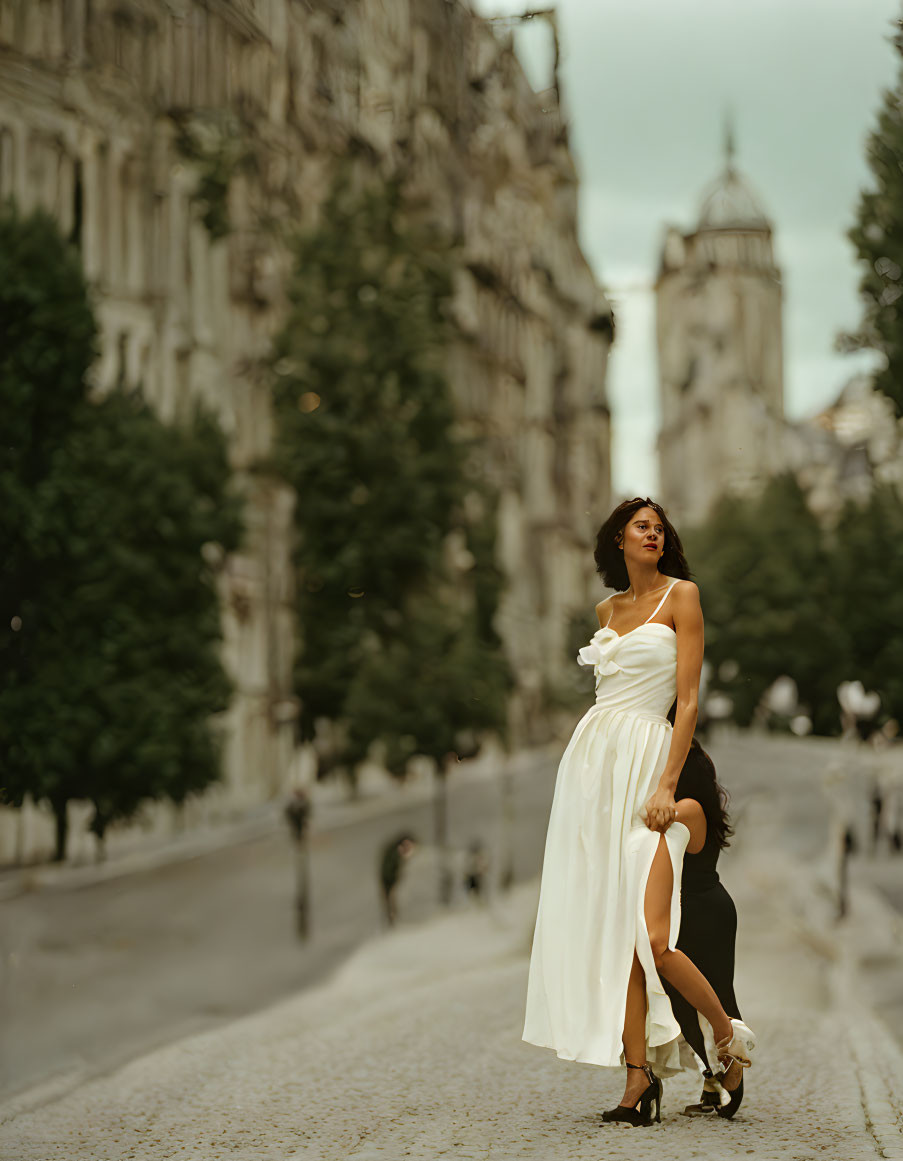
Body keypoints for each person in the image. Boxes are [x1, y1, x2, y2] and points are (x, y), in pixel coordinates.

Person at [522, 498, 754, 1127]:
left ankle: (728, 1041)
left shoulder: (684, 596)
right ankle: (637, 1082)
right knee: (616, 928)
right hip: (595, 765)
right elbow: (606, 699)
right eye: (640, 527)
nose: (652, 534)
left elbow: (686, 699)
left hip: (650, 760)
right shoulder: (605, 611)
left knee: (651, 934)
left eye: (659, 527)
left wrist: (666, 782)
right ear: (618, 542)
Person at [664, 732, 746, 1119]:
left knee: (713, 999)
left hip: (704, 912)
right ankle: (713, 1082)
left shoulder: (691, 808)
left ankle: (731, 1075)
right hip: (700, 909)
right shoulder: (696, 806)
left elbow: (650, 819)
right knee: (684, 1002)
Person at [379, 832, 416, 927]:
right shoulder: (395, 854)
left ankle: (393, 919)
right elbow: (389, 871)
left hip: (390, 880)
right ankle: (392, 919)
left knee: (391, 899)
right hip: (389, 880)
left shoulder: (394, 852)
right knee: (391, 899)